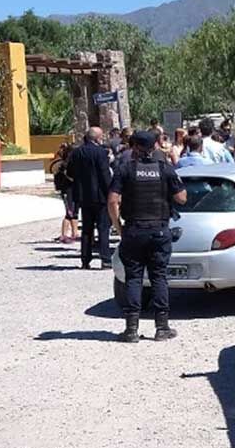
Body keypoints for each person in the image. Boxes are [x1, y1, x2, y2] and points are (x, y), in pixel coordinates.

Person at [109, 131, 187, 342]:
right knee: (159, 277)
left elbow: (113, 201)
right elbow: (181, 198)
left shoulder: (125, 169)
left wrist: (119, 228)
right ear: (154, 147)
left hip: (134, 230)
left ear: (134, 147)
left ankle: (131, 329)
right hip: (159, 231)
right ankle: (162, 328)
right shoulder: (165, 169)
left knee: (134, 278)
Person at [66, 127, 114, 269]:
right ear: (97, 138)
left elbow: (69, 172)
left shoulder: (76, 152)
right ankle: (105, 259)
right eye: (101, 136)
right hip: (100, 196)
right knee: (103, 228)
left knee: (87, 229)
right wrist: (111, 192)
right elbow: (105, 175)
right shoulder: (101, 153)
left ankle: (85, 260)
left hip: (83, 196)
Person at [49, 142, 79, 243]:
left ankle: (74, 233)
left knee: (74, 212)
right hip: (68, 190)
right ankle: (65, 234)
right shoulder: (66, 164)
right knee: (69, 213)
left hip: (72, 190)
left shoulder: (69, 162)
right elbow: (70, 177)